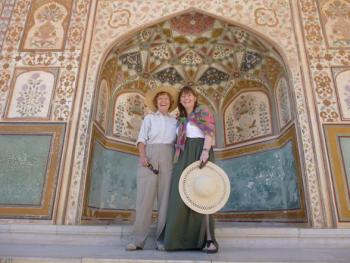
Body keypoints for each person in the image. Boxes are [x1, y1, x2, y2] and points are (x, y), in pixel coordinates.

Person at [163, 86, 218, 253]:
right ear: (180, 100)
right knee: (180, 195)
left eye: (189, 95)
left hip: (200, 151)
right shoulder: (179, 119)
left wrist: (205, 152)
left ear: (195, 97)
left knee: (204, 194)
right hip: (183, 155)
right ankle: (176, 239)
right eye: (183, 96)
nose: (186, 98)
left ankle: (208, 239)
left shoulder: (203, 110)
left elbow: (209, 132)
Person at [126, 86, 178, 251]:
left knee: (165, 200)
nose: (163, 101)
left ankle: (162, 239)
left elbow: (178, 143)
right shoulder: (149, 118)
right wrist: (143, 156)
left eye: (166, 98)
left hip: (168, 156)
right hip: (149, 154)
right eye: (160, 98)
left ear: (170, 103)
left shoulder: (175, 121)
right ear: (156, 102)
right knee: (144, 199)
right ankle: (137, 240)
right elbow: (141, 139)